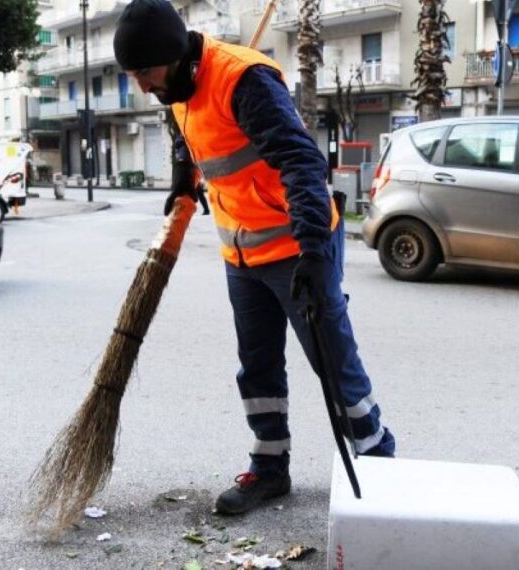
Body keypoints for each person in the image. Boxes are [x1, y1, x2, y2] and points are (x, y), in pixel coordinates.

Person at [113, 0, 395, 516]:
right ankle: (269, 467)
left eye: (146, 73)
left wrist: (314, 252)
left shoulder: (244, 80)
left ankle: (379, 462)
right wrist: (183, 179)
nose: (143, 86)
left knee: (333, 364)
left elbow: (301, 162)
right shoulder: (176, 88)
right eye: (134, 76)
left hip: (296, 247)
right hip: (240, 254)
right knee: (257, 366)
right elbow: (189, 136)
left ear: (174, 57)